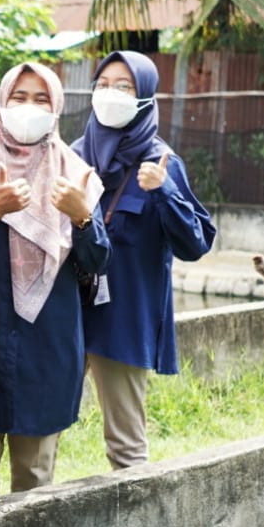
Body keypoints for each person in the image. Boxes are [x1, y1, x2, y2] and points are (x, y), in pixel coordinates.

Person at [0, 62, 110, 501]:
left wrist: (81, 215)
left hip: (47, 347)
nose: (29, 108)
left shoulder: (76, 174)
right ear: (1, 102)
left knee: (34, 486)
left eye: (41, 99)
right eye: (19, 97)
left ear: (56, 108)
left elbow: (97, 261)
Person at [74, 51, 216, 469]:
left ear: (145, 97)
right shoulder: (73, 155)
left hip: (124, 319)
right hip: (67, 311)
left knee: (126, 446)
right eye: (103, 84)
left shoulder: (162, 162)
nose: (110, 94)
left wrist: (163, 191)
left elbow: (195, 244)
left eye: (124, 87)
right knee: (43, 429)